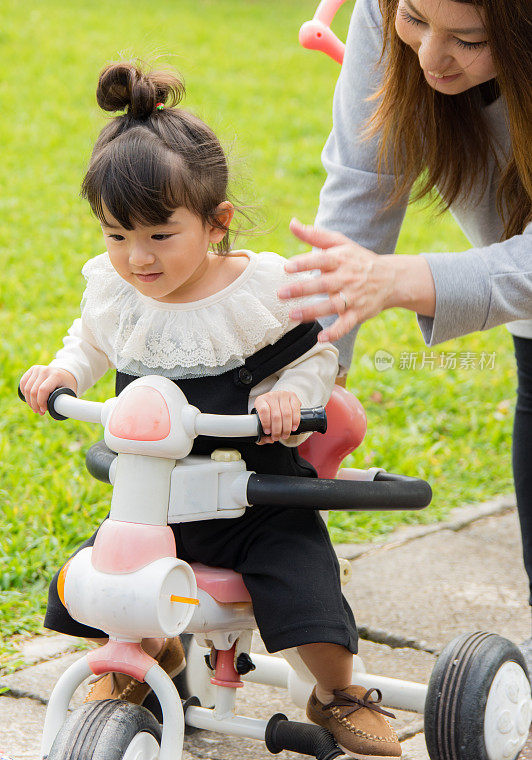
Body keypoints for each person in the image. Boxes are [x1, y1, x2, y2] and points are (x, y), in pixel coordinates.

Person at [20, 61, 403, 759]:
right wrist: (65, 372)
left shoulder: (260, 292)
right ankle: (146, 657)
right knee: (106, 578)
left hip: (256, 501)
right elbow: (91, 341)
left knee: (304, 591)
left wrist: (289, 398)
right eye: (116, 235)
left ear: (216, 221)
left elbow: (313, 353)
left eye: (160, 236)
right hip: (155, 501)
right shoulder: (115, 288)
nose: (137, 257)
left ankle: (337, 690)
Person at [277, 0, 532, 656]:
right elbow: (363, 185)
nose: (429, 55)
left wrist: (404, 278)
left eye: (469, 38)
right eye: (415, 19)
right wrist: (316, 376)